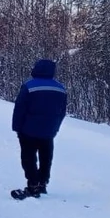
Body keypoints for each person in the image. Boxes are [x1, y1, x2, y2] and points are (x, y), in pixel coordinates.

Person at [11, 58, 67, 196]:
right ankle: (43, 182)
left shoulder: (29, 86)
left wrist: (17, 127)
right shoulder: (60, 88)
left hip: (28, 129)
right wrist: (55, 127)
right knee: (46, 157)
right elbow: (62, 112)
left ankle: (33, 184)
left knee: (28, 157)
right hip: (49, 130)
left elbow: (20, 108)